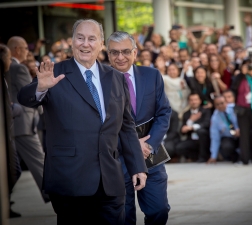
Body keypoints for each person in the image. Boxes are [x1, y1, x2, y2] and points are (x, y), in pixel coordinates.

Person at [17, 19, 147, 225]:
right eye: (80, 38)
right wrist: (40, 88)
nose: (85, 44)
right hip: (70, 181)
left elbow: (126, 126)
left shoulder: (115, 78)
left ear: (101, 44)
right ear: (72, 42)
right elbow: (24, 98)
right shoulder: (54, 74)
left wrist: (138, 166)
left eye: (91, 39)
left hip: (110, 182)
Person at [106, 31, 171, 225]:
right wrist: (132, 144)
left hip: (149, 154)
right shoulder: (99, 81)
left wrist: (150, 145)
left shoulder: (152, 75)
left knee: (159, 210)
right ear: (108, 54)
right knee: (123, 216)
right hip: (117, 157)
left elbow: (164, 113)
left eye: (126, 51)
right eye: (114, 52)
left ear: (135, 52)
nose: (120, 57)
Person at [6, 36, 50, 203]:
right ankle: (53, 194)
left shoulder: (9, 68)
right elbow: (32, 96)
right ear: (17, 49)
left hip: (14, 123)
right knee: (39, 161)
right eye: (25, 48)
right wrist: (43, 108)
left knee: (13, 167)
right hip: (23, 124)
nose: (28, 51)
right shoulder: (18, 68)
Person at [0, 44, 22, 218]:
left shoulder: (4, 76)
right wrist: (15, 109)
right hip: (5, 136)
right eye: (8, 58)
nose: (10, 61)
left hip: (9, 134)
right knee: (13, 170)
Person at [175, 93, 211, 162]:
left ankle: (203, 157)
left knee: (202, 132)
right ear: (189, 101)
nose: (194, 102)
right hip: (192, 139)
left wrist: (192, 127)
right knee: (179, 148)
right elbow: (182, 131)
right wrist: (190, 120)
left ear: (200, 100)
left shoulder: (205, 110)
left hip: (204, 139)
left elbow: (207, 123)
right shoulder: (186, 114)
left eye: (196, 99)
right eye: (191, 100)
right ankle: (195, 157)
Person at [207, 95, 239, 164]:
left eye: (222, 103)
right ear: (215, 106)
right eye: (217, 104)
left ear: (226, 102)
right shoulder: (215, 118)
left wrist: (239, 129)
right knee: (226, 147)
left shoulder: (235, 109)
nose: (220, 106)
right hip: (229, 137)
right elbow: (215, 138)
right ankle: (234, 157)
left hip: (241, 134)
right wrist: (213, 156)